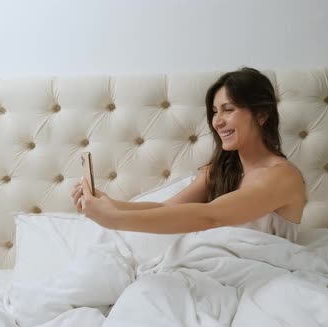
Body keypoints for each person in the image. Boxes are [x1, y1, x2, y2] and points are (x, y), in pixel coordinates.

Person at [70, 67, 306, 240]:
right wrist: (111, 204)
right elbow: (166, 209)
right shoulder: (223, 169)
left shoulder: (283, 177)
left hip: (263, 272)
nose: (217, 122)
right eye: (214, 112)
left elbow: (211, 216)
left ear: (262, 115)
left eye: (228, 110)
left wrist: (114, 220)